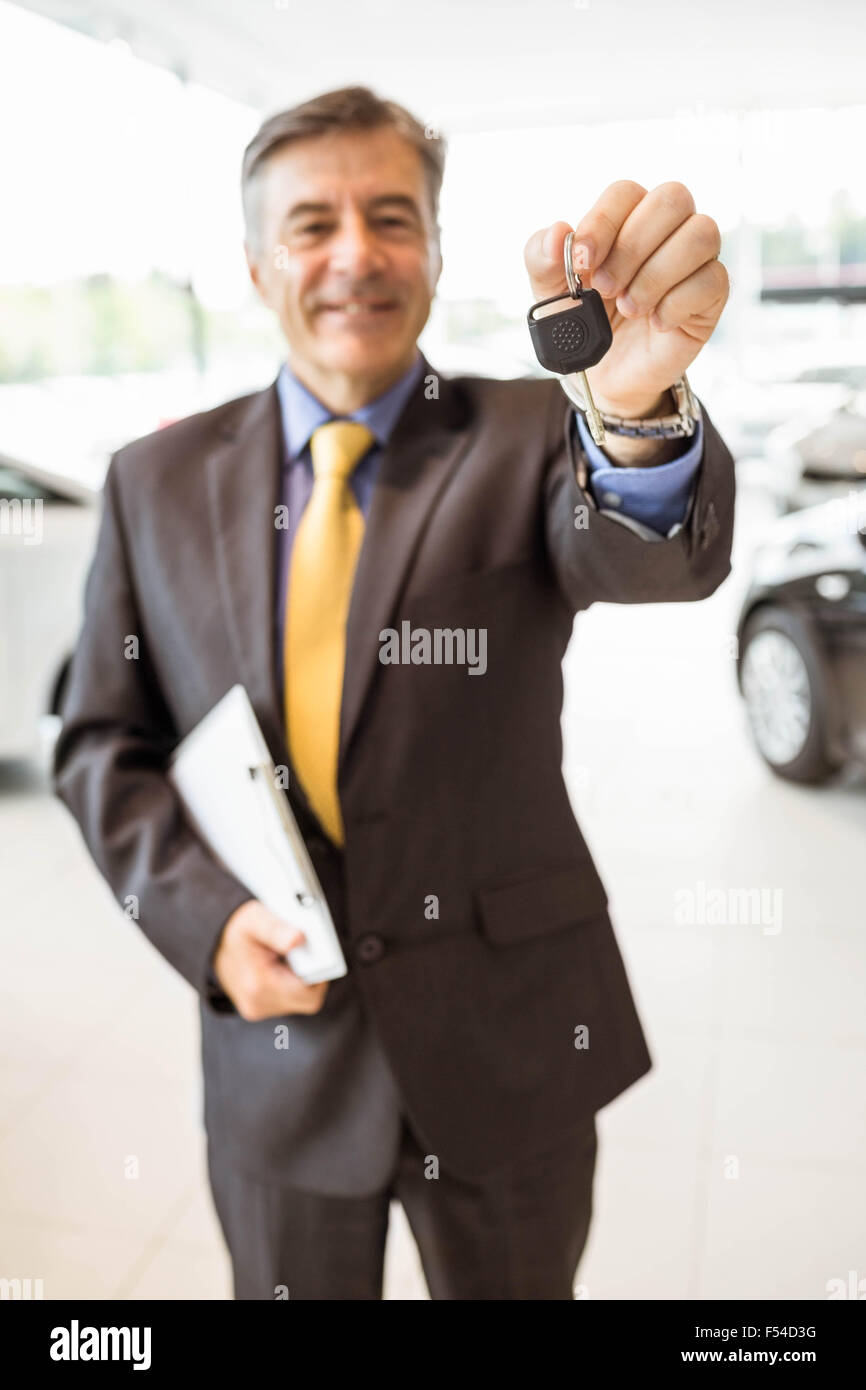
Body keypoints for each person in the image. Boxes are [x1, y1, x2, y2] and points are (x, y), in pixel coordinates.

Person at [53, 85, 734, 1300]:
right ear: (257, 267)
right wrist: (203, 918)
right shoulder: (152, 478)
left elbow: (643, 555)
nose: (354, 252)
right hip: (279, 1058)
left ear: (431, 250)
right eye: (312, 223)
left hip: (506, 1045)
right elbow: (103, 740)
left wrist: (627, 410)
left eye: (391, 216)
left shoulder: (530, 432)